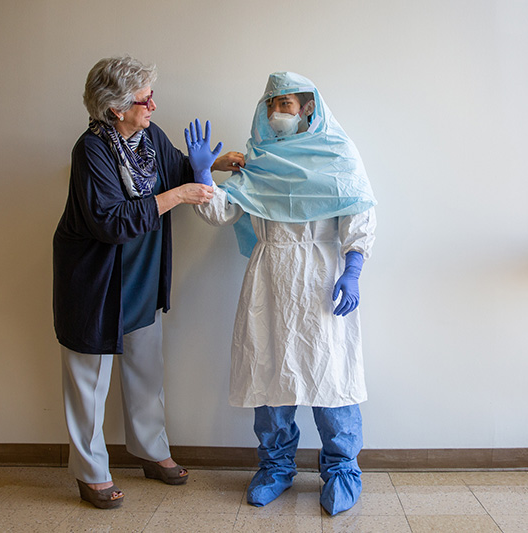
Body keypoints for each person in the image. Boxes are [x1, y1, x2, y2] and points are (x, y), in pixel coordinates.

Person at [52, 56, 243, 509]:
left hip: (140, 275)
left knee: (146, 370)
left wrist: (215, 162)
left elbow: (177, 169)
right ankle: (90, 471)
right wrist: (178, 195)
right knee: (88, 384)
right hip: (96, 283)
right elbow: (111, 220)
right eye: (144, 99)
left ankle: (150, 451)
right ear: (115, 109)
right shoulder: (91, 150)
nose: (154, 105)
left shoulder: (148, 136)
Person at [186, 71, 377, 516]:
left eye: (285, 105)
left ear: (308, 107)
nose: (277, 114)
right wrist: (202, 173)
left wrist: (352, 270)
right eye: (271, 105)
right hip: (269, 277)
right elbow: (221, 213)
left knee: (330, 375)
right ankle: (275, 467)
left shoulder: (336, 155)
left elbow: (359, 214)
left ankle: (342, 469)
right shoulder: (257, 162)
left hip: (321, 278)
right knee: (269, 372)